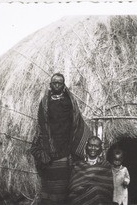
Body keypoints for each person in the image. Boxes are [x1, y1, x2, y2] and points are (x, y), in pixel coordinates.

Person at [30, 73, 92, 204]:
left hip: (66, 148)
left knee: (65, 187)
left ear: (63, 85)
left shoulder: (69, 101)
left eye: (60, 83)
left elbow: (76, 121)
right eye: (54, 83)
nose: (57, 85)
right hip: (50, 147)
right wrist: (46, 146)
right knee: (50, 186)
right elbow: (42, 123)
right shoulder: (45, 103)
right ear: (50, 85)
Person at [68, 136, 114, 205]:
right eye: (90, 145)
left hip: (101, 197)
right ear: (86, 147)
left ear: (100, 148)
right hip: (82, 196)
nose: (93, 148)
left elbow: (108, 185)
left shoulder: (105, 165)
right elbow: (74, 185)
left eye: (96, 146)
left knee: (97, 191)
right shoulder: (79, 164)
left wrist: (95, 188)